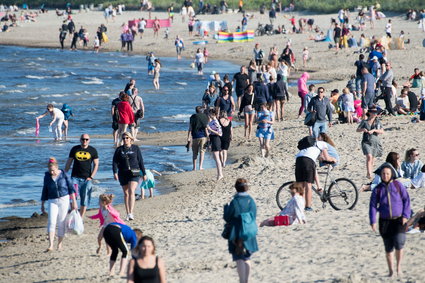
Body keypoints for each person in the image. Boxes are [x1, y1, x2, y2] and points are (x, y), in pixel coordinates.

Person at [369, 165, 411, 277]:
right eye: (383, 174)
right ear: (380, 175)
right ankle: (391, 271)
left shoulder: (398, 185)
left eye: (387, 173)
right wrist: (373, 221)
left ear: (391, 174)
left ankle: (399, 268)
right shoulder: (377, 189)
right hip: (384, 222)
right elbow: (373, 206)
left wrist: (405, 216)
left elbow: (406, 200)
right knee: (388, 248)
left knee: (399, 243)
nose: (385, 175)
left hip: (399, 220)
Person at [223, 178, 258, 283]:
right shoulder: (251, 200)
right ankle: (246, 280)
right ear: (246, 188)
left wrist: (226, 207)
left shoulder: (235, 202)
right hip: (249, 231)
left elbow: (227, 217)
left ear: (236, 188)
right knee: (247, 258)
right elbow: (254, 215)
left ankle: (242, 281)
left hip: (237, 232)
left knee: (239, 258)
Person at [41, 157, 77, 252]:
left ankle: (60, 244)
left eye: (53, 170)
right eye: (50, 170)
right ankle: (51, 245)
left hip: (64, 200)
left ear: (57, 168)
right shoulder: (47, 176)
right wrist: (42, 203)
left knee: (61, 222)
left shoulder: (64, 174)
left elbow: (71, 188)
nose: (51, 172)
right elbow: (45, 190)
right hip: (52, 200)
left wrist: (74, 202)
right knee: (51, 221)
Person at [295, 136, 336, 211]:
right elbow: (327, 158)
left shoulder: (309, 146)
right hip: (308, 161)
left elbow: (320, 158)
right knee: (308, 184)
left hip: (298, 159)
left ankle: (301, 206)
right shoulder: (323, 144)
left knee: (301, 185)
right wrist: (334, 160)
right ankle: (308, 207)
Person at [113, 132, 147, 221]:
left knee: (132, 190)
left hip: (134, 172)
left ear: (130, 139)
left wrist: (144, 173)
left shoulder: (135, 148)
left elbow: (140, 161)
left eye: (127, 138)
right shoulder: (119, 150)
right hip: (123, 173)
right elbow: (115, 162)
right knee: (126, 193)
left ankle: (131, 213)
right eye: (123, 138)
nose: (125, 140)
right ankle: (128, 212)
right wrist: (115, 172)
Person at [65, 133, 99, 217]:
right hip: (75, 178)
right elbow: (69, 162)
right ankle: (74, 215)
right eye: (83, 139)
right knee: (73, 198)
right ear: (80, 140)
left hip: (86, 179)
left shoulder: (93, 150)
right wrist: (64, 174)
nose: (84, 141)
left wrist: (91, 177)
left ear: (89, 140)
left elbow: (96, 164)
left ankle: (80, 217)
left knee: (84, 199)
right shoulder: (74, 149)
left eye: (86, 139)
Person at [357, 108, 384, 180]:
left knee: (372, 159)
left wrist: (374, 130)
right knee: (369, 156)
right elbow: (357, 129)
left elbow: (382, 131)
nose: (375, 114)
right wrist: (363, 129)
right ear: (370, 113)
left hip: (375, 141)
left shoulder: (378, 122)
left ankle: (370, 172)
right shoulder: (364, 122)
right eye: (373, 112)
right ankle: (369, 173)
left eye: (376, 113)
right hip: (366, 141)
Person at [187, 106, 209, 170]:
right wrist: (208, 136)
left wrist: (188, 137)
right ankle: (200, 166)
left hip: (195, 136)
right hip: (203, 136)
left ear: (196, 110)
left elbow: (190, 128)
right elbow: (205, 127)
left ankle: (194, 167)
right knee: (202, 152)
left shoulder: (192, 117)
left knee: (194, 152)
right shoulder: (205, 116)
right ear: (201, 110)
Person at [207, 109, 223, 180]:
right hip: (213, 139)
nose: (209, 115)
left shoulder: (216, 122)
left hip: (216, 139)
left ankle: (220, 174)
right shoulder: (212, 121)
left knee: (217, 158)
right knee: (215, 157)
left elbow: (220, 133)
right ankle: (219, 174)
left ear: (213, 114)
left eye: (210, 113)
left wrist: (210, 129)